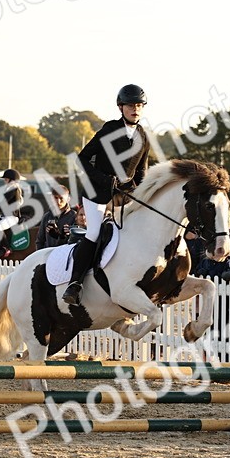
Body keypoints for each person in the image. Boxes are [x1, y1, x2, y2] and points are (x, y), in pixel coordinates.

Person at [63, 83, 152, 306]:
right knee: (94, 232)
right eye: (131, 105)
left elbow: (141, 174)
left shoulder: (144, 136)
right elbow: (82, 158)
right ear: (121, 107)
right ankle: (75, 284)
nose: (136, 109)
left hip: (124, 197)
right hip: (97, 193)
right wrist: (104, 179)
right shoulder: (110, 129)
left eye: (140, 105)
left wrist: (144, 197)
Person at [0, 168, 25, 257]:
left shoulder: (14, 189)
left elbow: (2, 204)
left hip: (12, 217)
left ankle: (7, 248)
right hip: (5, 216)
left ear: (12, 180)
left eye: (6, 179)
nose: (5, 181)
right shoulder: (10, 189)